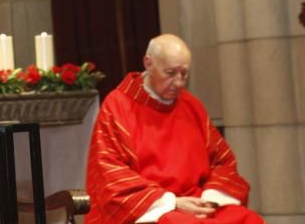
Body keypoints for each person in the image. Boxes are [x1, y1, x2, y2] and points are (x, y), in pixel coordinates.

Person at [85, 34, 264, 223]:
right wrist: (172, 202)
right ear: (148, 64)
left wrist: (208, 200)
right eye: (170, 73)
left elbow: (222, 162)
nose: (179, 82)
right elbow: (110, 174)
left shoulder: (191, 105)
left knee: (248, 219)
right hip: (152, 209)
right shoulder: (118, 106)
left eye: (184, 74)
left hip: (197, 201)